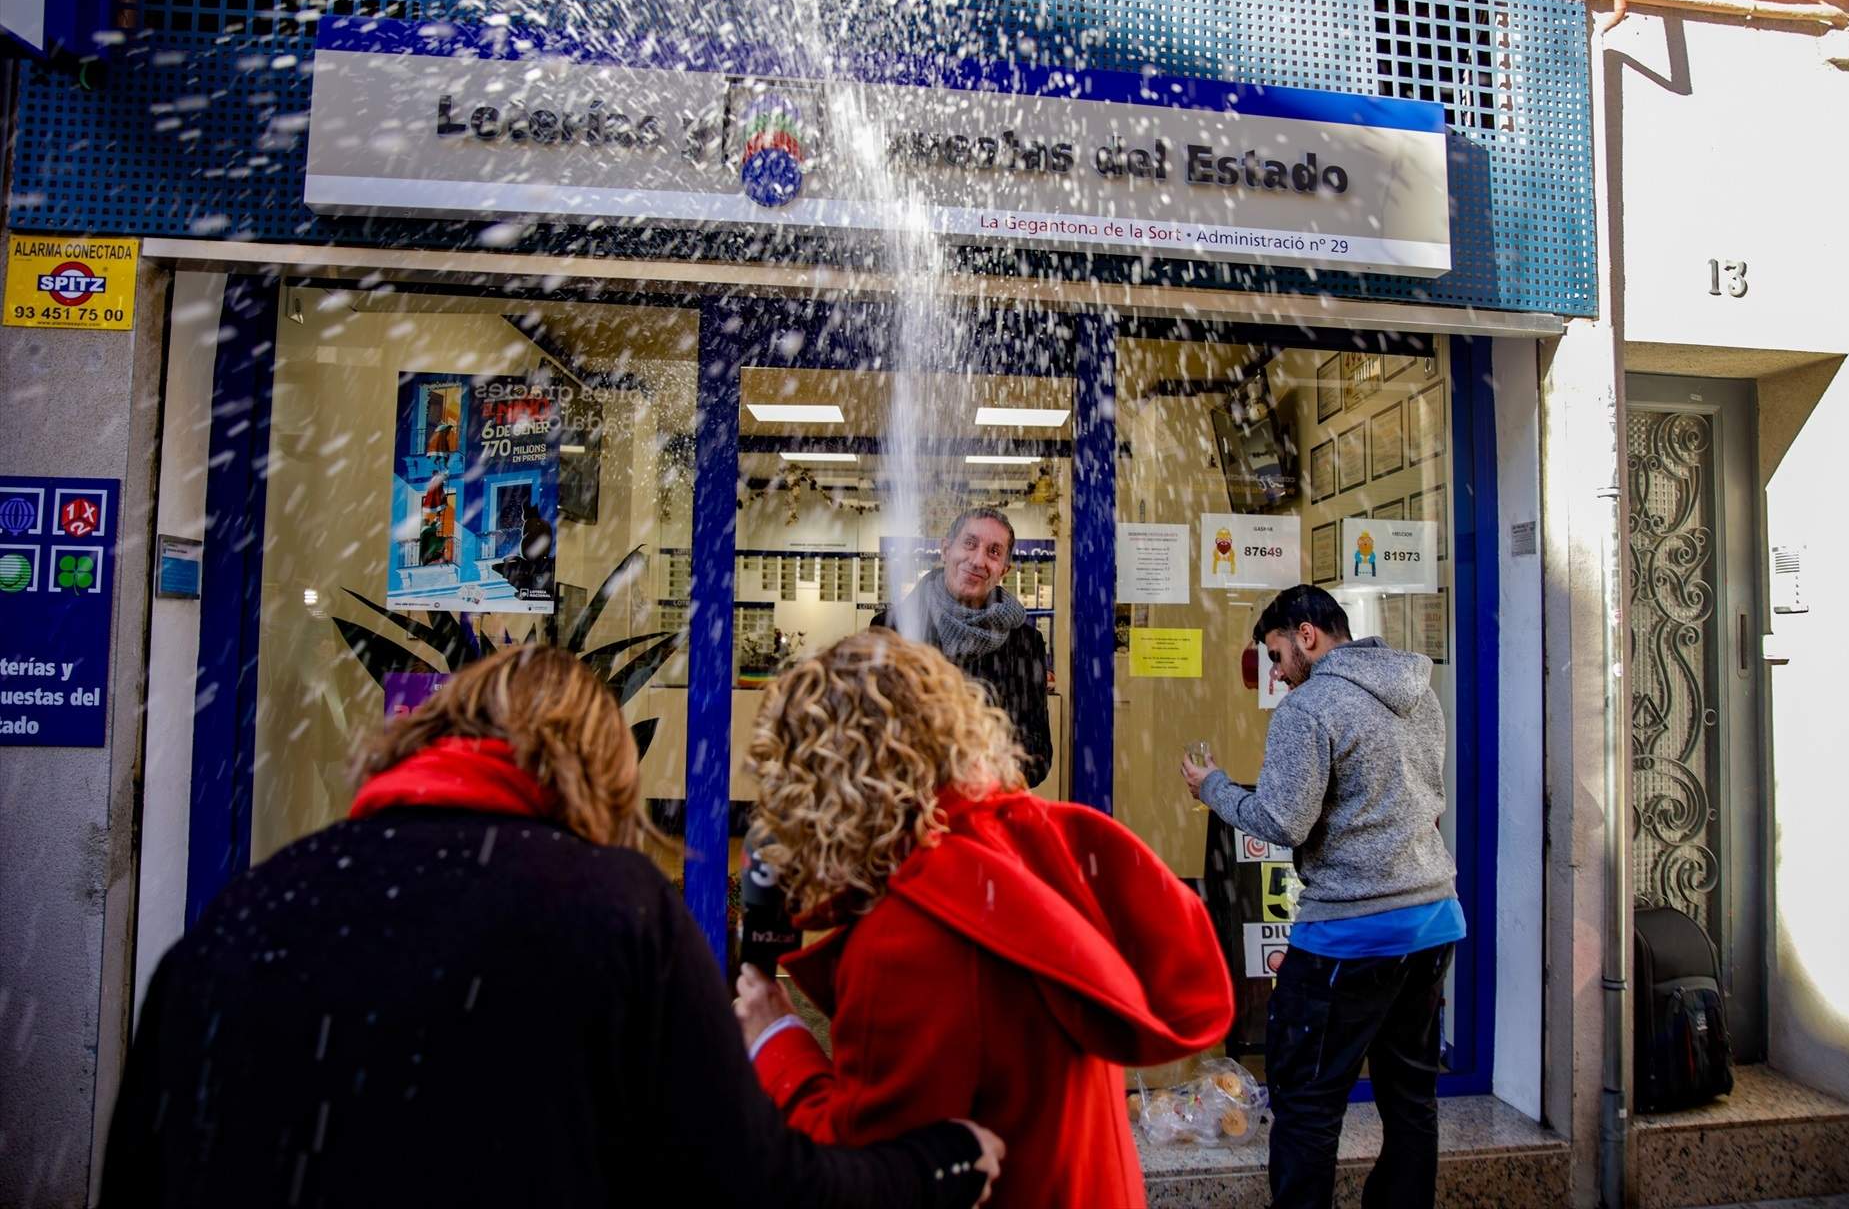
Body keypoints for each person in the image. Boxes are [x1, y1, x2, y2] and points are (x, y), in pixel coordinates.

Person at [102, 645, 1004, 1209]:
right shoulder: (616, 912)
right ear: (600, 770)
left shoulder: (248, 909)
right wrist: (937, 1166)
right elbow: (753, 1186)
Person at [734, 631, 1235, 1209]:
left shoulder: (910, 935)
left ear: (824, 786)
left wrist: (776, 1042)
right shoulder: (1026, 849)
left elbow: (863, 1175)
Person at [1180, 585, 1464, 1209]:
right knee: (1411, 1100)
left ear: (1307, 635)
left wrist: (1215, 788)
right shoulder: (1417, 693)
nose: (1278, 674)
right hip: (1433, 921)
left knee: (1306, 1104)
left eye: (1278, 656)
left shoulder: (1310, 708)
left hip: (1349, 934)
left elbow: (1284, 822)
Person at [873, 506, 1052, 784]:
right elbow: (873, 731)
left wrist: (982, 781)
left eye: (994, 552)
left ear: (1004, 569)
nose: (978, 560)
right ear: (946, 550)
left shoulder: (1025, 644)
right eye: (969, 543)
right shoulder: (891, 629)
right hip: (909, 808)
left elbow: (1037, 750)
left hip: (986, 808)